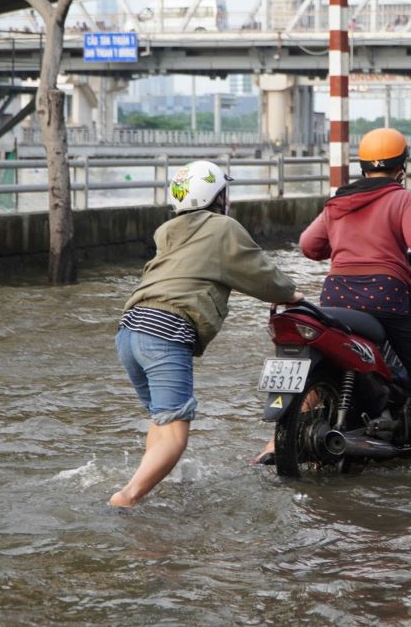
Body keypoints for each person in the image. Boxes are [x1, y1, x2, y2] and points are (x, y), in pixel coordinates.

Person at [257, 128, 411, 470]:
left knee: (321, 360)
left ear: (363, 166)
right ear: (402, 168)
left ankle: (272, 442)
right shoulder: (400, 198)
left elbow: (310, 245)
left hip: (335, 297)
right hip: (385, 299)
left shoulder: (339, 200)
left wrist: (341, 244)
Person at [111, 160, 303, 507]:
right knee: (176, 433)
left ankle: (146, 488)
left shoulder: (169, 231)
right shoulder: (222, 228)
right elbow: (260, 273)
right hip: (166, 329)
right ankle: (126, 498)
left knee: (162, 419)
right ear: (216, 196)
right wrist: (290, 294)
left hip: (130, 329)